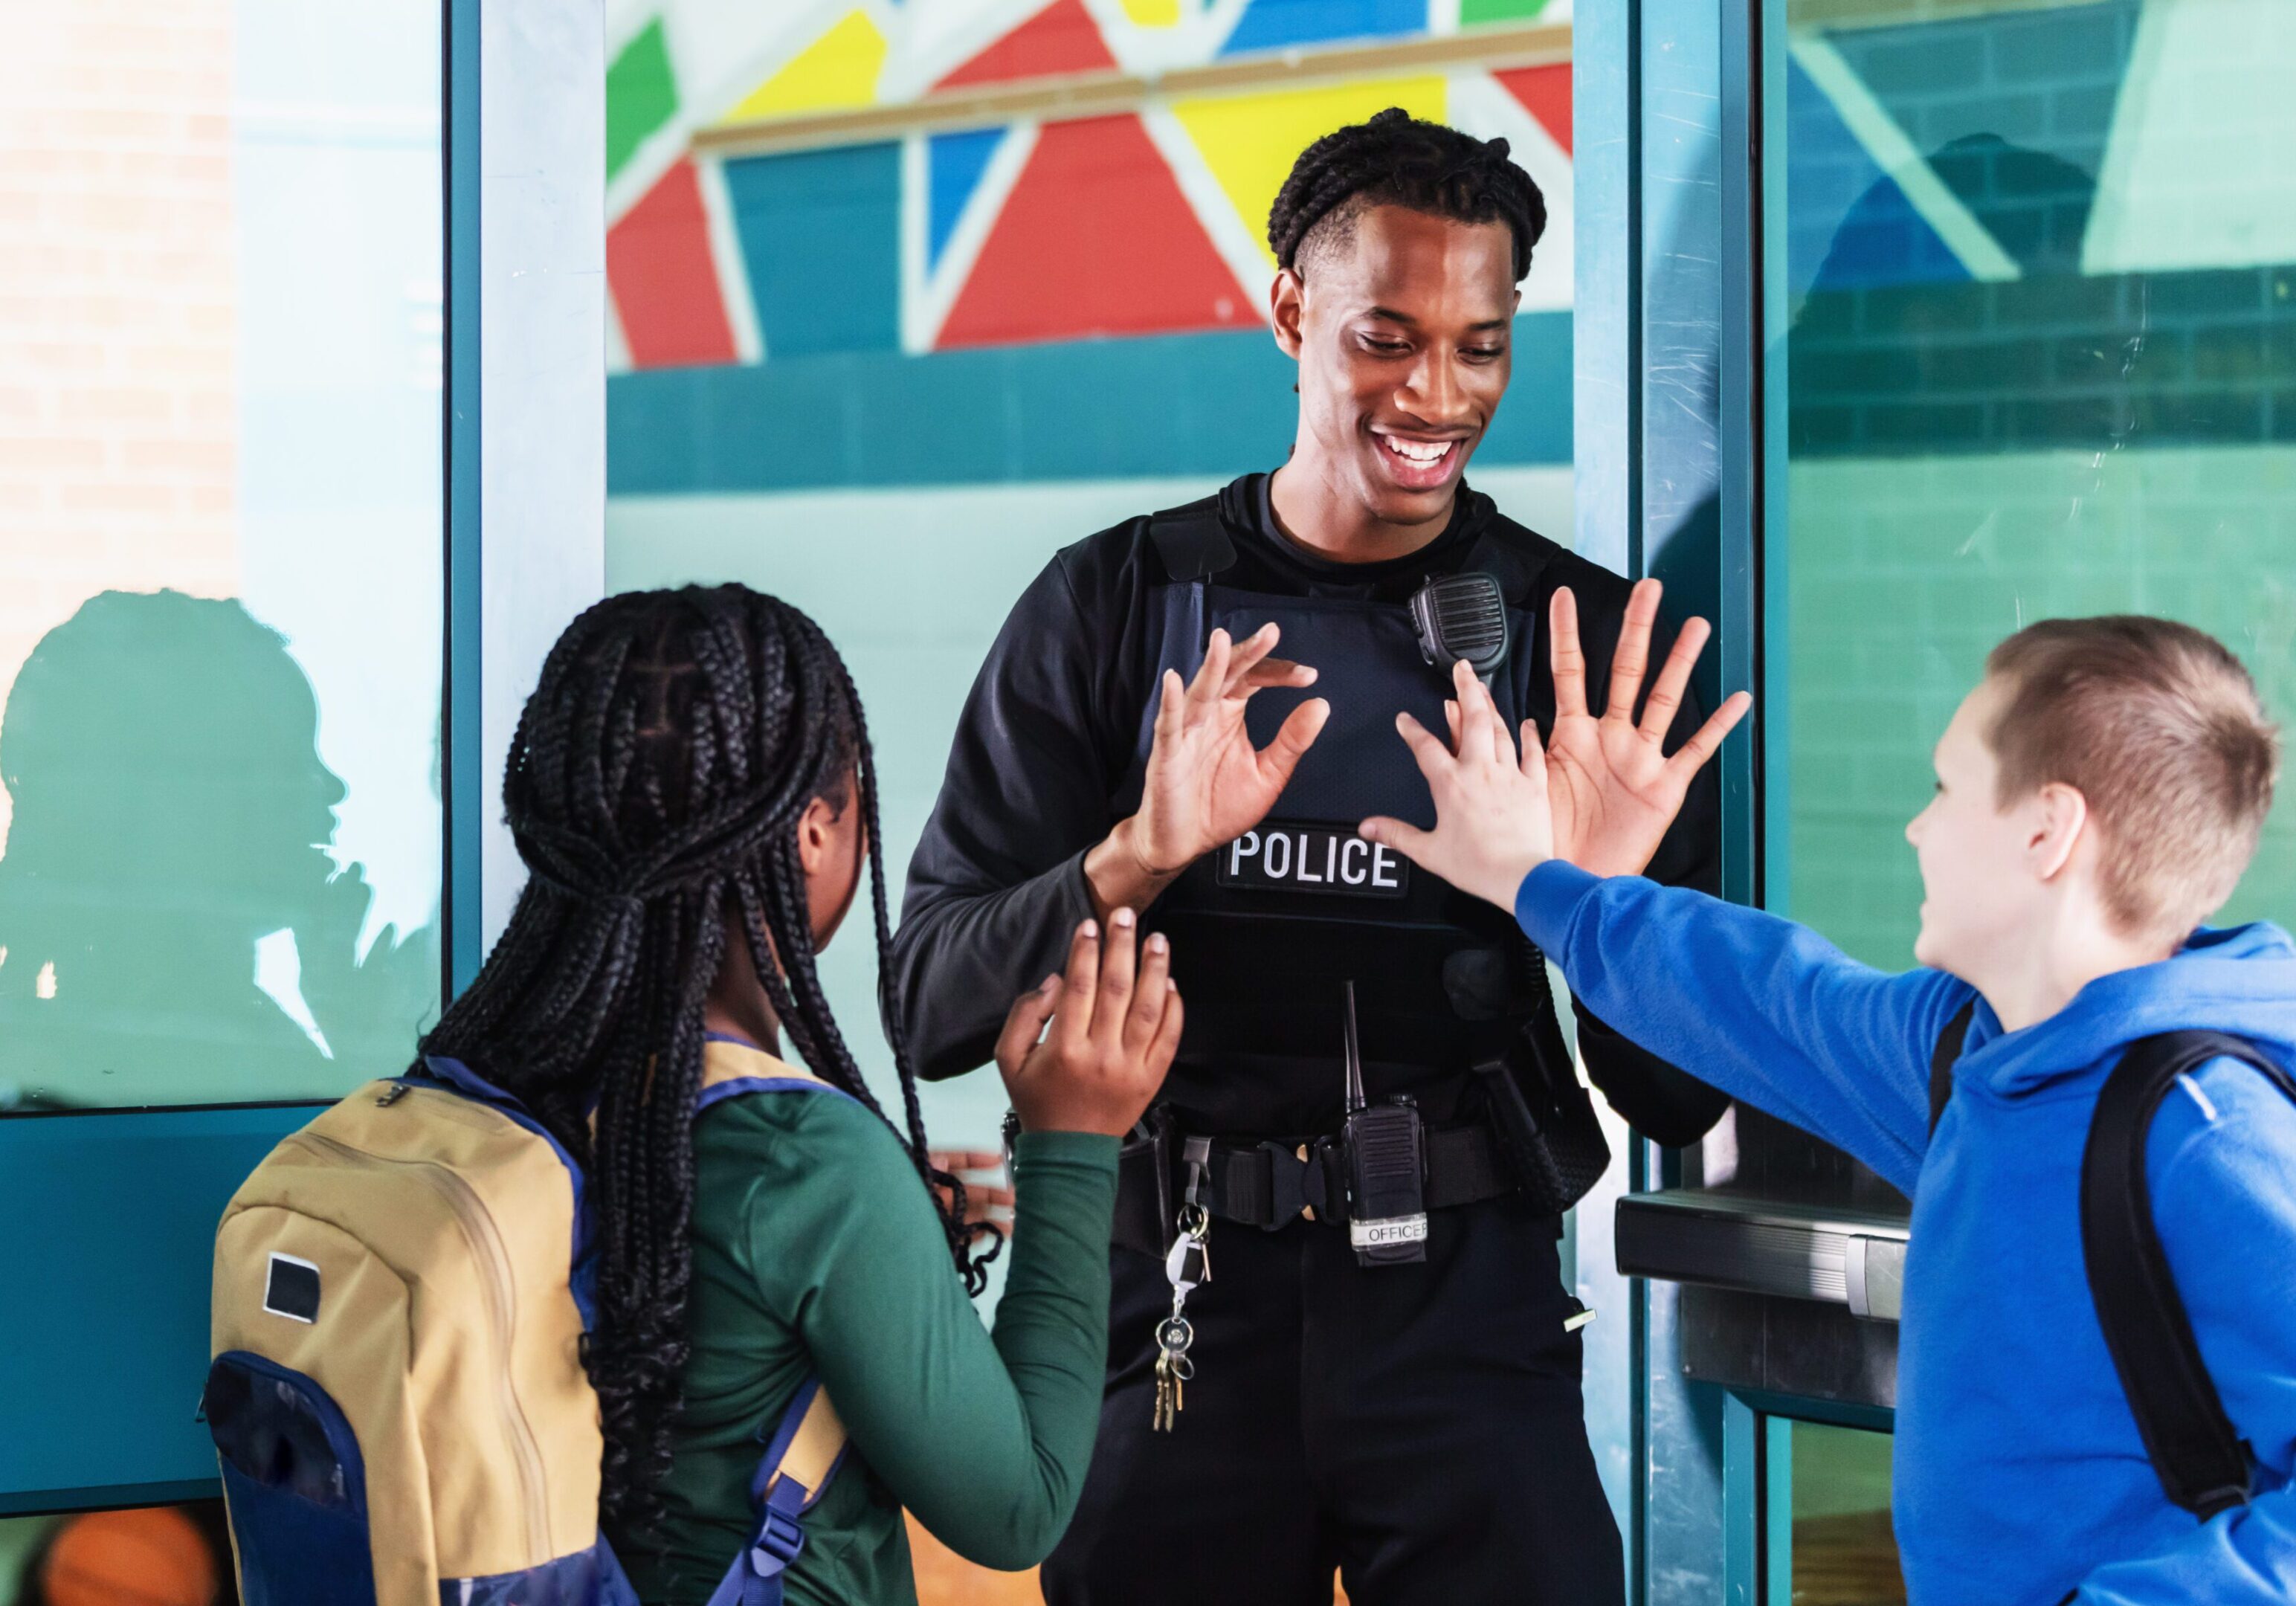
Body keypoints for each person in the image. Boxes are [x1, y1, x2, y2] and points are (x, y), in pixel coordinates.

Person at [894, 111, 1729, 1604]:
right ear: (1288, 310)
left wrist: (1582, 902)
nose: (1435, 394)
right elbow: (930, 1007)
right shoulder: (1112, 607)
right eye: (1386, 338)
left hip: (1467, 1319)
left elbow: (1677, 1096)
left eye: (1480, 347)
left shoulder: (1580, 652)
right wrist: (1135, 852)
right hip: (1172, 1302)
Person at [1370, 599, 2296, 1605]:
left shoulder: (2207, 1134)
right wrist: (1535, 882)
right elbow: (1761, 995)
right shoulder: (1967, 1051)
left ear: (2047, 831)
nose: (1916, 826)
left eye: (1948, 789)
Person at [415, 586, 1181, 1605]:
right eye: (856, 797)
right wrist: (1074, 1143)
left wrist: (877, 1229)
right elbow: (1018, 1509)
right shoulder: (803, 1164)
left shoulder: (497, 1084)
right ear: (815, 833)